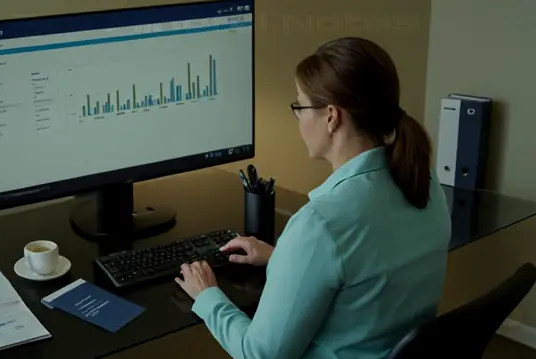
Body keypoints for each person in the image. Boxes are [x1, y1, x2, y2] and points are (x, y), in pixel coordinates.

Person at [174, 37, 451, 359]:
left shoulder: (321, 223)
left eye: (300, 107)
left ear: (332, 116)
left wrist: (208, 296)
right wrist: (287, 259)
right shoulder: (423, 180)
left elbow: (259, 354)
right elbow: (367, 272)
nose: (300, 120)